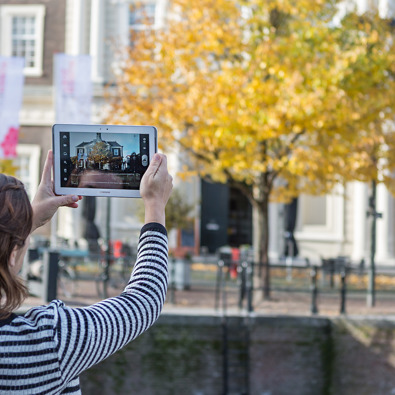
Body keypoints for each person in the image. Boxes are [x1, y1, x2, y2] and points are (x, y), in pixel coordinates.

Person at [0, 150, 173, 394]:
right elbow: (144, 301)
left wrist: (27, 222)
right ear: (11, 255)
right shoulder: (48, 341)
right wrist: (155, 205)